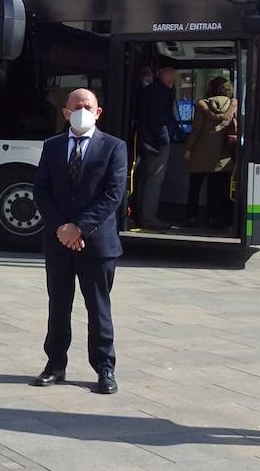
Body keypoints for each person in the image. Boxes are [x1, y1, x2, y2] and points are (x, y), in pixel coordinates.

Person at [30, 88, 127, 395]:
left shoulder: (114, 147)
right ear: (65, 112)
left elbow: (113, 194)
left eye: (88, 106)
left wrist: (79, 229)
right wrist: (61, 227)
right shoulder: (52, 146)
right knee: (58, 306)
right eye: (76, 106)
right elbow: (41, 190)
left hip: (97, 245)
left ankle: (104, 369)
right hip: (58, 242)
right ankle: (55, 365)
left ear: (98, 112)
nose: (82, 110)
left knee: (98, 309)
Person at [183, 77, 238, 228]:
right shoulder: (233, 106)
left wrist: (188, 149)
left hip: (200, 153)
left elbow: (196, 131)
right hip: (222, 154)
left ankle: (191, 217)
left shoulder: (203, 105)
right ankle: (214, 218)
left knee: (195, 187)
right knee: (217, 189)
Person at [135, 66, 179, 228]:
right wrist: (165, 141)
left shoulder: (151, 90)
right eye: (172, 77)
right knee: (154, 181)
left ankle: (142, 214)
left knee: (145, 180)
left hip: (149, 142)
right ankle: (148, 217)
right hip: (155, 145)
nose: (173, 80)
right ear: (163, 76)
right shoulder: (159, 93)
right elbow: (158, 121)